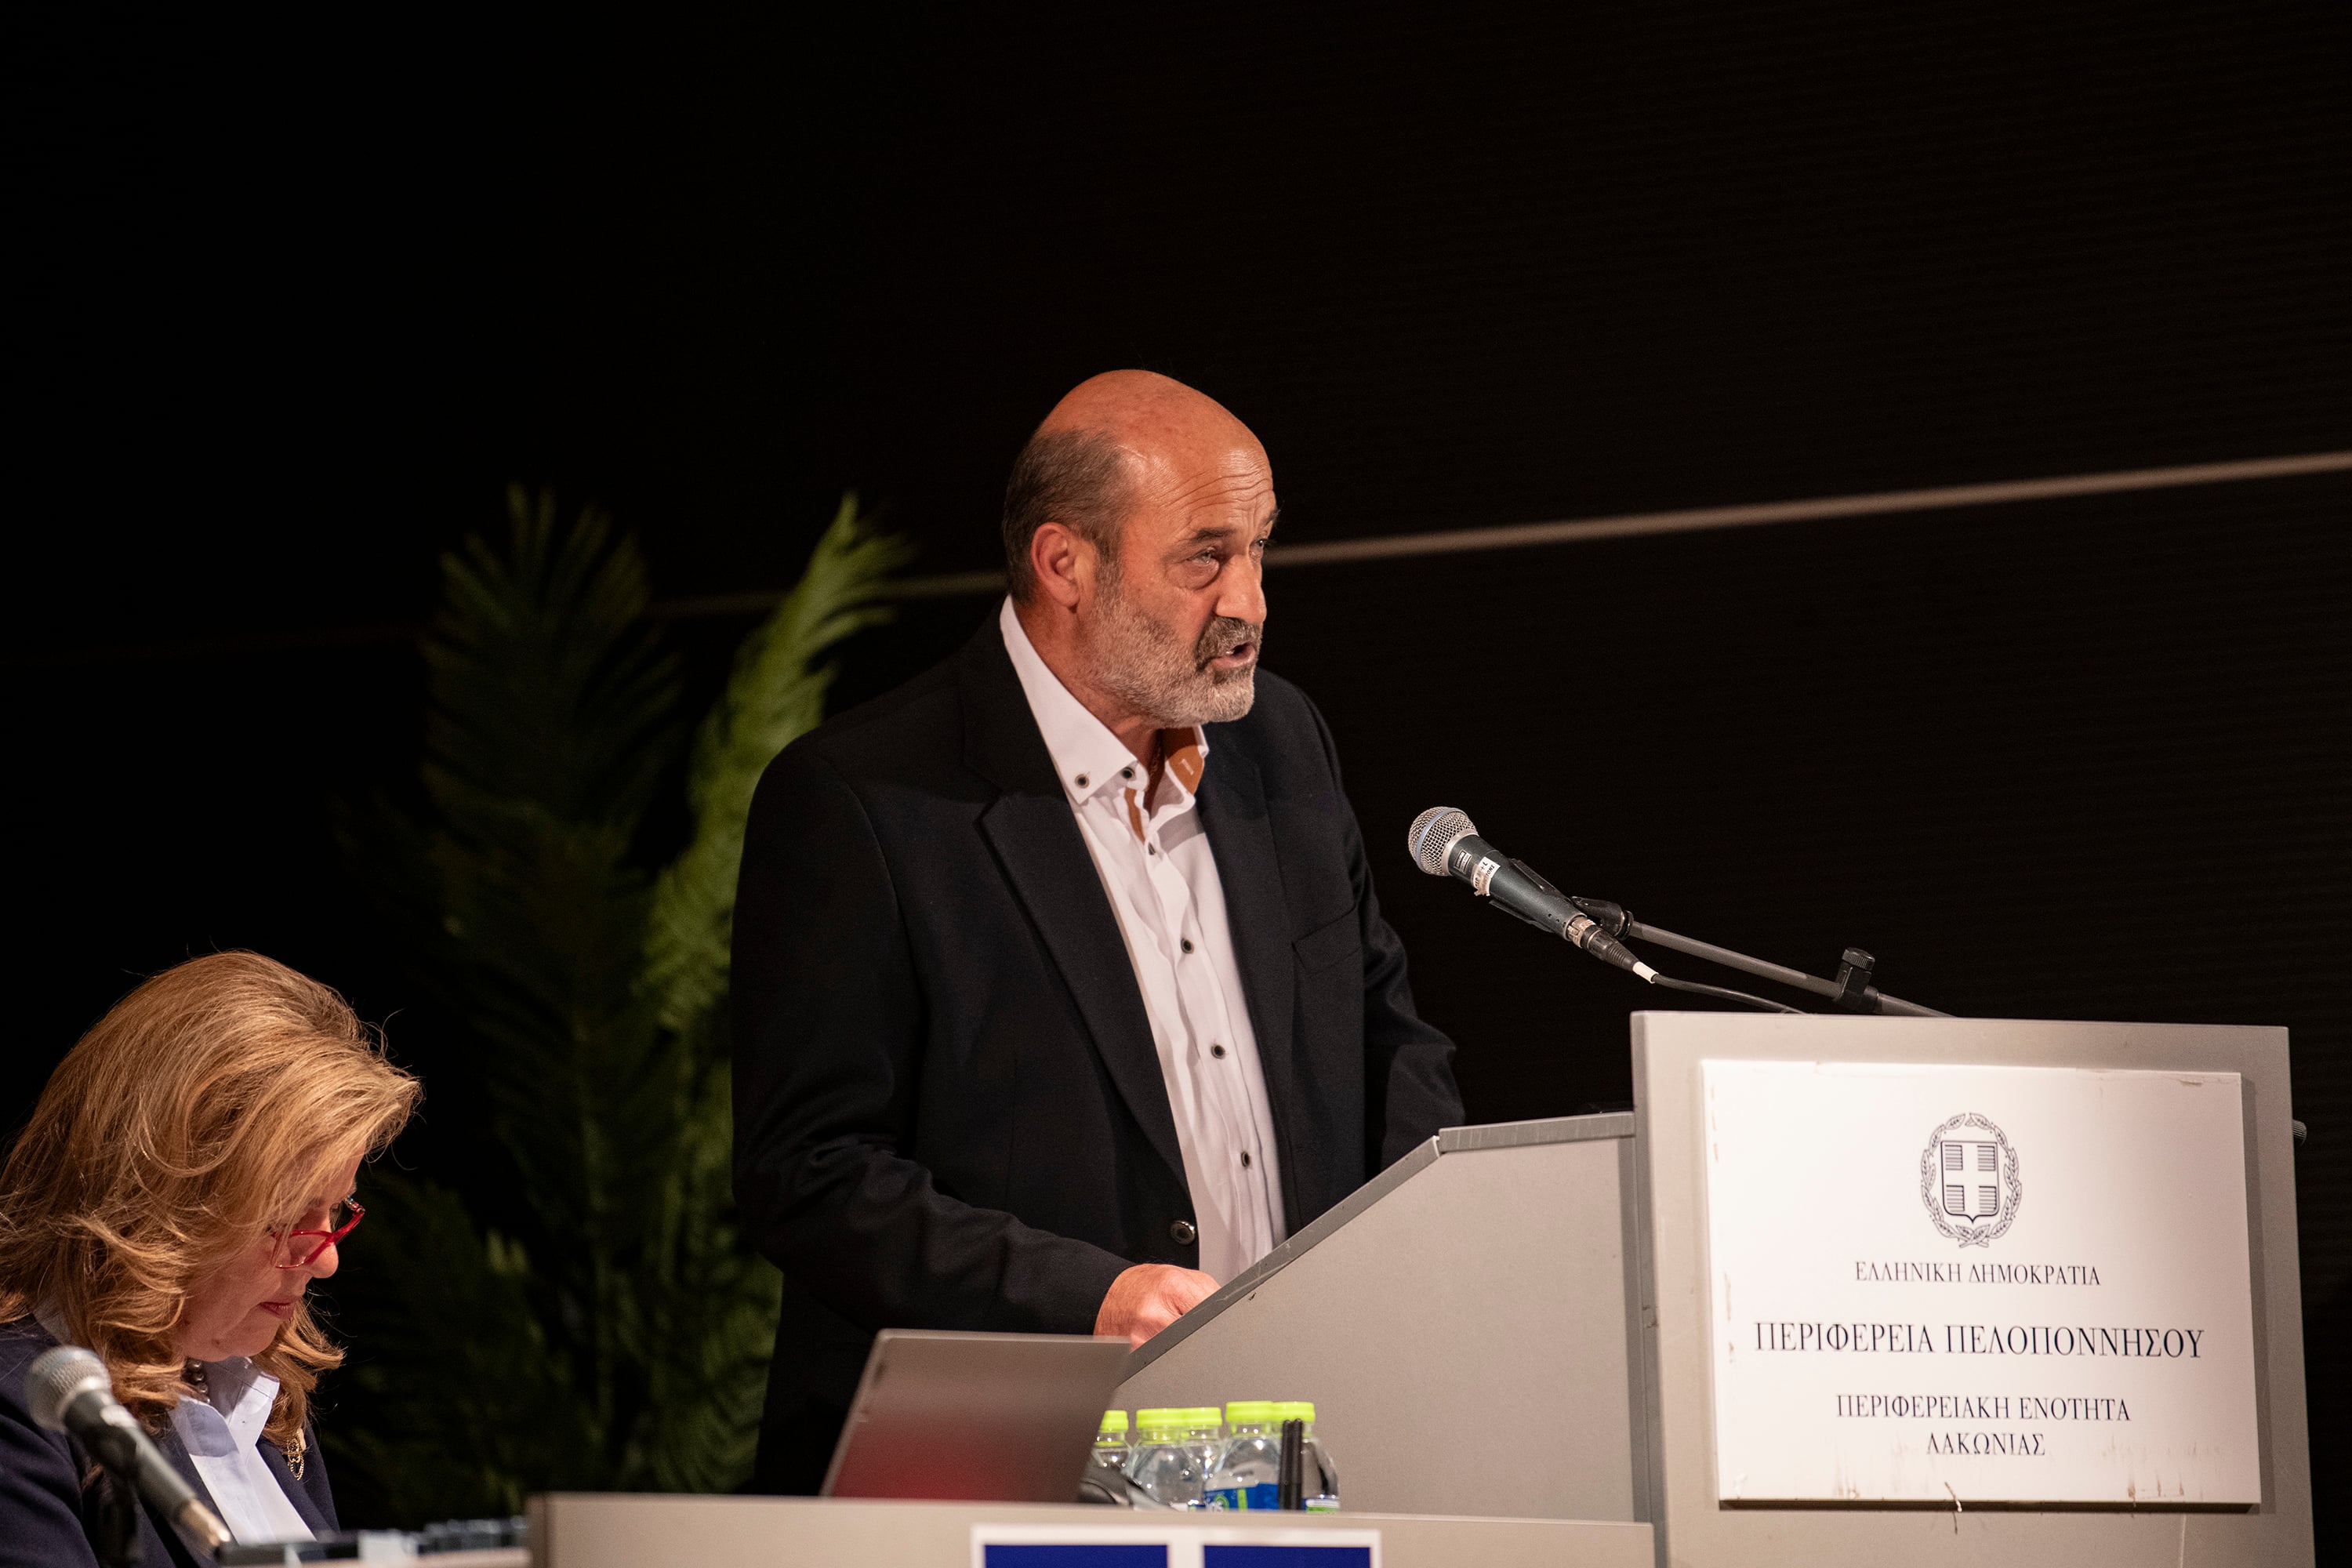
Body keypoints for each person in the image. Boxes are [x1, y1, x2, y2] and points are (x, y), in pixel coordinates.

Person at [733, 369, 1464, 1490]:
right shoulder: (867, 801)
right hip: (1001, 1471)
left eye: (1260, 549)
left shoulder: (1283, 745)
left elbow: (1388, 1040)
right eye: (1204, 559)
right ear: (1064, 564)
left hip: (1290, 1458)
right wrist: (1091, 1298)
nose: (1251, 601)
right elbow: (812, 1174)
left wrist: (1429, 1236)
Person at [0, 952, 419, 1566]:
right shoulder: (23, 1411)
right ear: (160, 1200)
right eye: (289, 1215)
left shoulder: (267, 1411)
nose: (325, 1260)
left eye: (336, 1209)